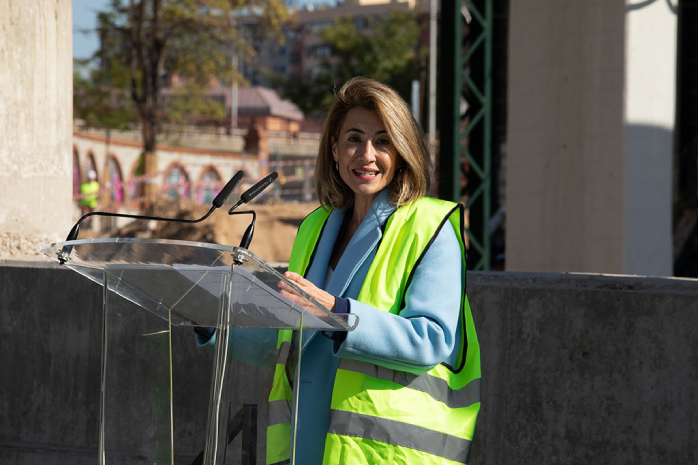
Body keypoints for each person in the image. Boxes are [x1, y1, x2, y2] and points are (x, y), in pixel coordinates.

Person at [269, 77, 482, 465]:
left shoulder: (428, 226)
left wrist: (339, 312)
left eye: (383, 141)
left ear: (401, 152)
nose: (367, 155)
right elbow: (288, 334)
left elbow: (432, 340)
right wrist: (213, 320)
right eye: (354, 139)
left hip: (377, 449)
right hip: (304, 438)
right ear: (334, 149)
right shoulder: (314, 228)